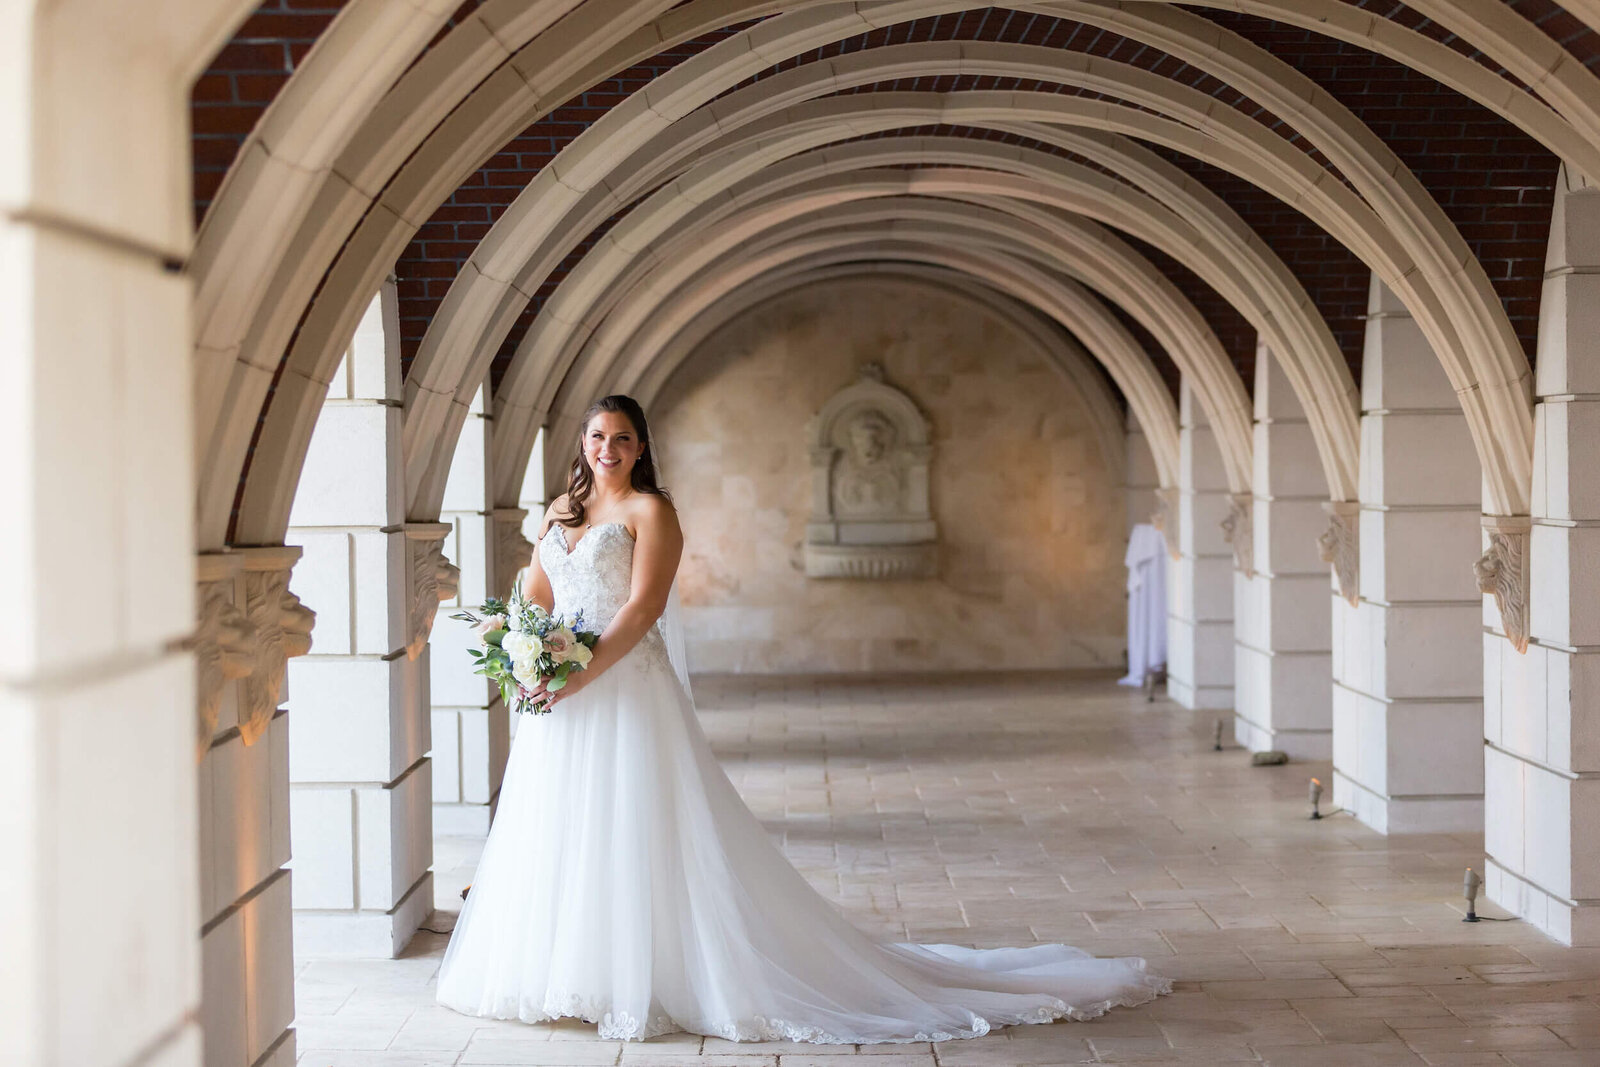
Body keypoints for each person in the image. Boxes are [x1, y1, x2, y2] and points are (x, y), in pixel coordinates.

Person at [434, 394, 1170, 1043]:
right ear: (582, 446)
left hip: (622, 688)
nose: (608, 449)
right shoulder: (562, 514)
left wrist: (581, 672)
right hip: (559, 696)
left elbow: (643, 608)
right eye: (597, 437)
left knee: (631, 825)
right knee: (564, 827)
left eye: (622, 438)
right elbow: (532, 592)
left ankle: (643, 975)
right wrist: (523, 656)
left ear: (642, 447)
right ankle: (569, 972)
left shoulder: (651, 512)